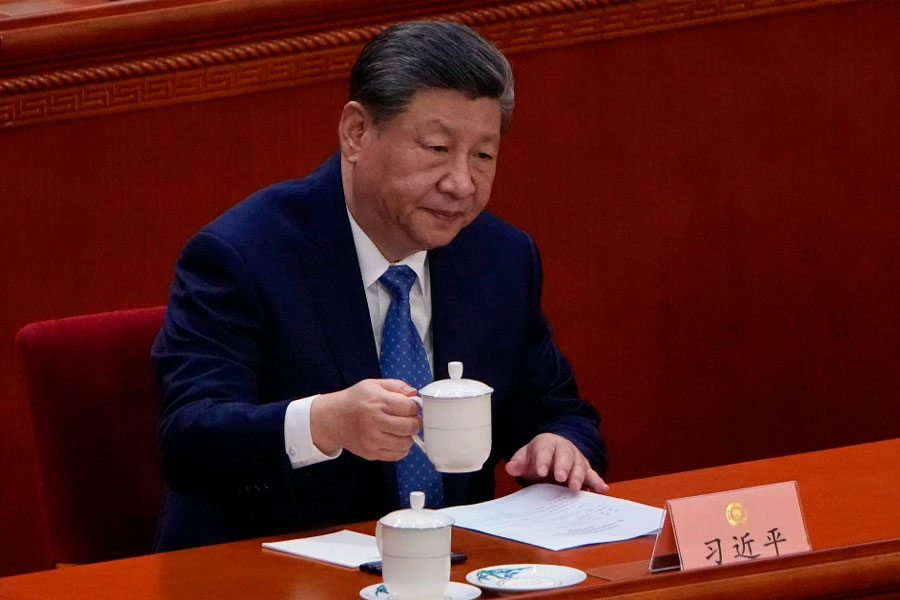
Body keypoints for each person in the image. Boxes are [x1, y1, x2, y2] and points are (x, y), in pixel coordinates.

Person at [152, 20, 608, 551]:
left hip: (451, 569)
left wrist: (559, 443)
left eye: (483, 155)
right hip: (272, 568)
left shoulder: (498, 257)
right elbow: (189, 439)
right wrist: (324, 424)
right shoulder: (241, 255)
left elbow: (559, 409)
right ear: (356, 133)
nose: (461, 183)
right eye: (437, 147)